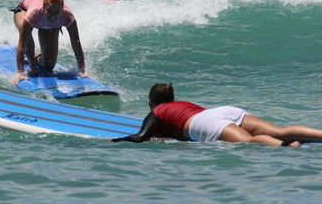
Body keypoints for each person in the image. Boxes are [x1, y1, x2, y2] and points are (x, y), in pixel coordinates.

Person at [114, 83, 322, 147]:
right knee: (280, 131)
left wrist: (116, 140)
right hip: (223, 111)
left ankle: (285, 146)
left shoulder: (157, 112)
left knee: (248, 142)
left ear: (151, 103)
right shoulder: (181, 105)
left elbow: (140, 137)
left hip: (205, 123)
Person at [12, 0, 87, 85]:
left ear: (62, 9)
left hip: (44, 20)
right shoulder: (34, 13)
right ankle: (32, 63)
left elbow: (76, 43)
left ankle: (37, 57)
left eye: (57, 11)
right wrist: (20, 72)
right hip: (23, 10)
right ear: (44, 7)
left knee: (48, 65)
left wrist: (82, 70)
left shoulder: (67, 16)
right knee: (27, 40)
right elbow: (22, 44)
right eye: (50, 11)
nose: (53, 15)